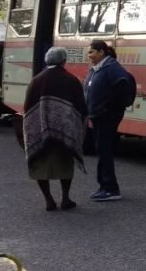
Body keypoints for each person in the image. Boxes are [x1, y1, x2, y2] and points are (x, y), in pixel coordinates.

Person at [22, 47, 87, 211]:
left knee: (40, 165)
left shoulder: (36, 80)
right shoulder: (71, 80)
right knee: (65, 164)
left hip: (41, 132)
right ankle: (65, 198)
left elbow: (28, 107)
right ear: (63, 61)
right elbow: (80, 106)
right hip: (65, 133)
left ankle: (49, 200)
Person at [83, 40, 130, 202]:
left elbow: (123, 89)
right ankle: (104, 186)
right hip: (98, 116)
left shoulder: (112, 68)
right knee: (101, 150)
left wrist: (106, 108)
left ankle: (111, 188)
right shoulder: (98, 68)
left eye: (91, 52)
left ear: (101, 52)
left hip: (106, 117)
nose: (89, 55)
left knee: (104, 151)